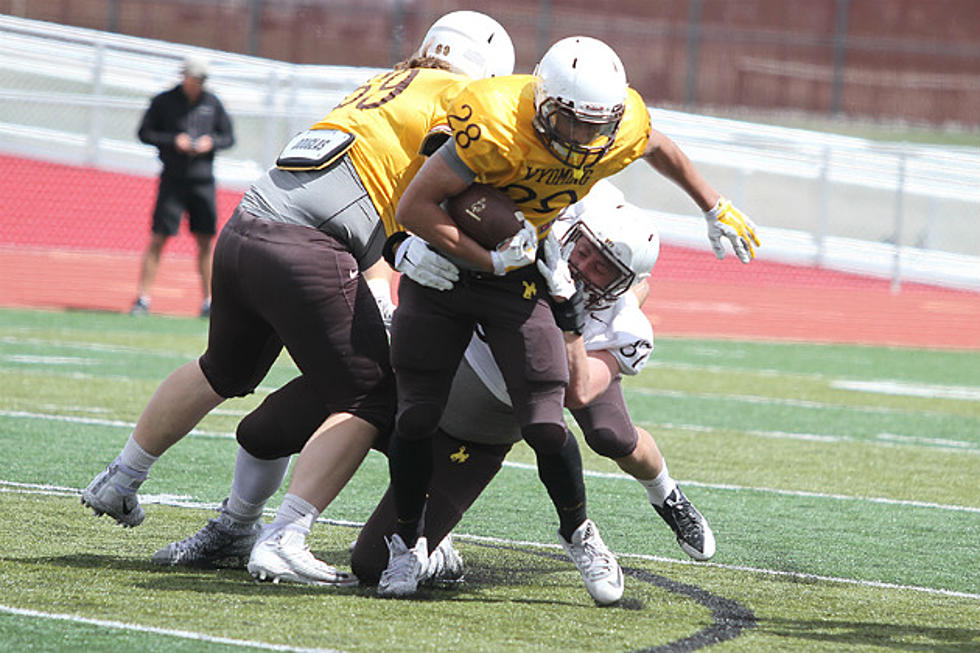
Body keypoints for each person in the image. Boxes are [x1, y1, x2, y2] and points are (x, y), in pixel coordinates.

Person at [80, 11, 516, 586]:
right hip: (306, 245)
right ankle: (286, 536)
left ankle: (122, 478)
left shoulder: (385, 84)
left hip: (245, 229)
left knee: (222, 369)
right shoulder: (459, 98)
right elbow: (446, 183)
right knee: (371, 395)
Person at [378, 35, 759, 600]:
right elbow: (415, 202)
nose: (582, 140)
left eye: (593, 127)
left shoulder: (618, 137)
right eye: (570, 122)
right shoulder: (497, 123)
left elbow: (656, 143)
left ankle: (599, 524)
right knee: (410, 415)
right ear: (542, 101)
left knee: (577, 425)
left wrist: (712, 202)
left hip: (532, 288)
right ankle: (402, 545)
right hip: (468, 265)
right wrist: (418, 251)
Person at [350, 180, 715, 589]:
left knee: (609, 434)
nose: (584, 267)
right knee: (371, 560)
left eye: (603, 269)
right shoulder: (546, 229)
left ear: (623, 284)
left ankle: (666, 495)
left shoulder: (622, 324)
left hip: (571, 360)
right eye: (585, 252)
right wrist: (404, 246)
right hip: (463, 381)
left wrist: (572, 321)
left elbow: (578, 391)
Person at [131, 55, 235, 318]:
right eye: (195, 79)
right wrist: (172, 141)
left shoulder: (212, 103)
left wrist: (211, 142)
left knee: (206, 241)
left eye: (202, 80)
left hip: (203, 180)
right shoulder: (163, 101)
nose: (197, 84)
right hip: (173, 179)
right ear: (185, 76)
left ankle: (209, 301)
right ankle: (143, 298)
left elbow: (228, 137)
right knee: (159, 237)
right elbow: (144, 133)